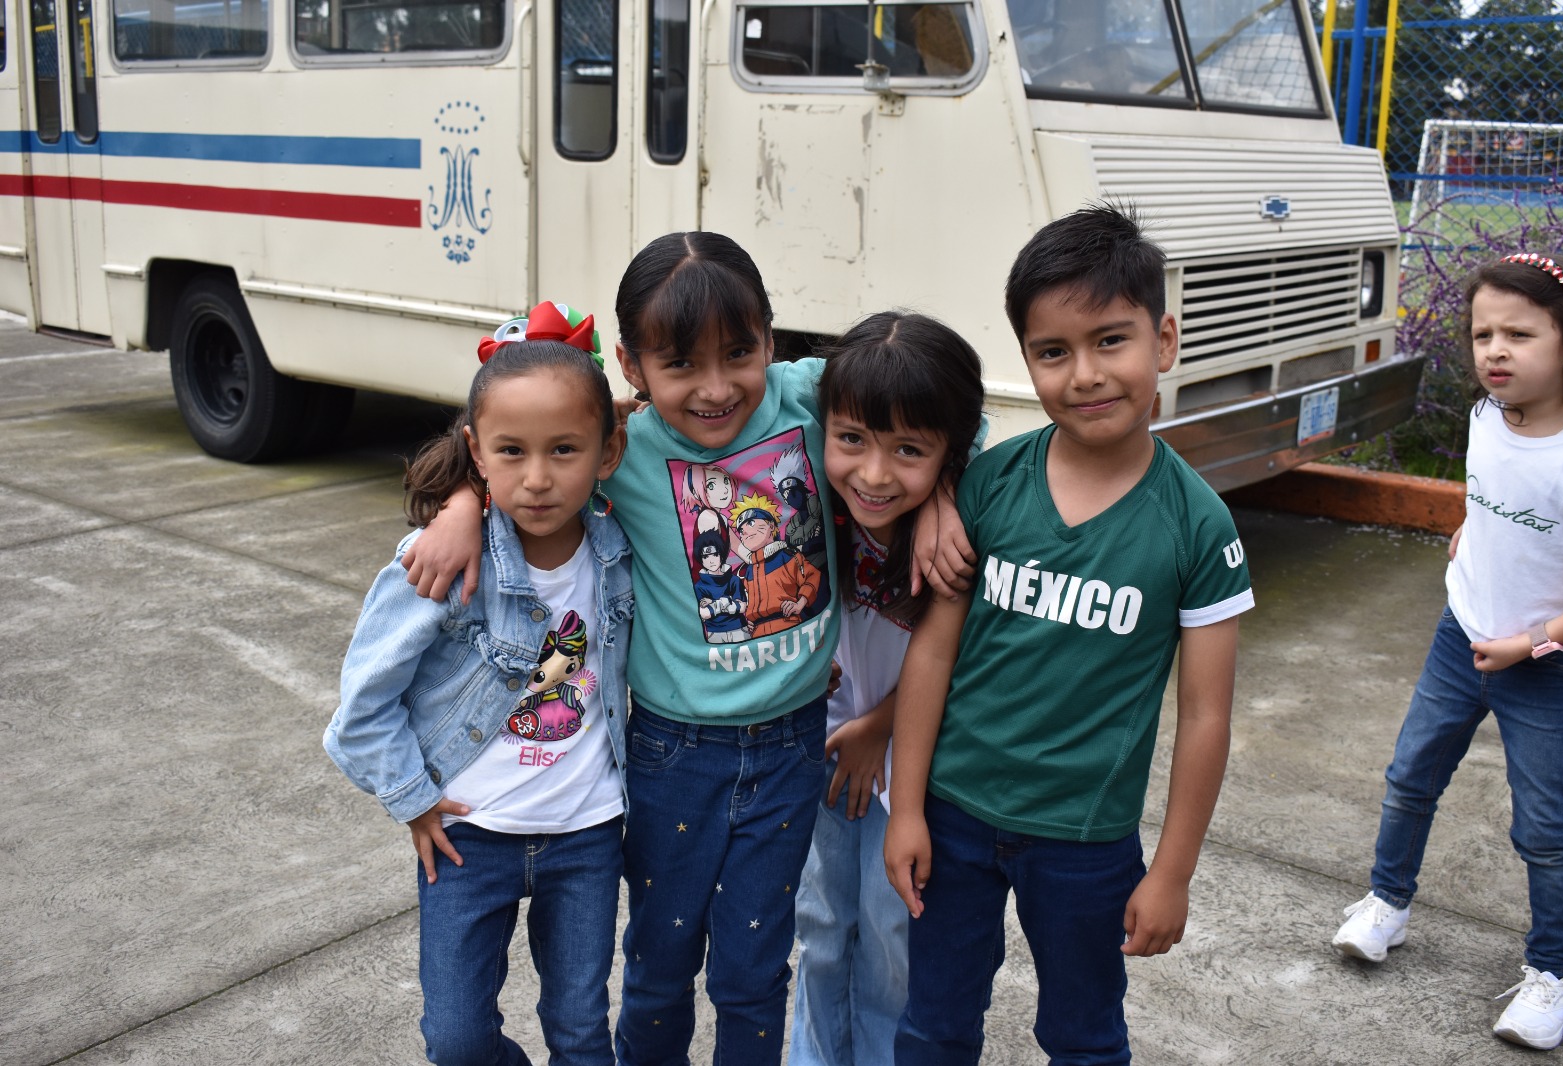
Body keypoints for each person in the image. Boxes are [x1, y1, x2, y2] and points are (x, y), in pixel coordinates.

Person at [401, 232, 973, 1066]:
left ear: (771, 340)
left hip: (793, 750)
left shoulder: (810, 398)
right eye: (680, 365)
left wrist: (943, 497)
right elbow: (511, 437)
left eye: (738, 353)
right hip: (674, 755)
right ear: (631, 366)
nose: (715, 387)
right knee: (661, 966)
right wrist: (462, 503)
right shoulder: (618, 448)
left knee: (753, 972)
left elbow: (939, 410)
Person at [883, 203, 1255, 1064]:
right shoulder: (991, 484)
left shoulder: (1198, 527)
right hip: (953, 818)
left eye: (1110, 341)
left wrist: (1173, 872)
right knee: (933, 1025)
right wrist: (906, 809)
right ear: (1027, 360)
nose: (1085, 374)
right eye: (1053, 351)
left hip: (1085, 842)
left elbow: (1206, 715)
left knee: (1084, 1038)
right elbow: (932, 650)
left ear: (1164, 341)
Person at [323, 309, 630, 1066]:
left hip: (587, 833)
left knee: (581, 1030)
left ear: (608, 451)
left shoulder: (621, 548)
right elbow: (362, 707)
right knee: (457, 1041)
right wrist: (411, 797)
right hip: (466, 838)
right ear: (476, 454)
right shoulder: (442, 561)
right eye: (511, 451)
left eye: (564, 450)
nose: (538, 478)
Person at [1330, 251, 1563, 1051]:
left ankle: (1554, 975)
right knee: (1410, 776)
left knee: (1543, 826)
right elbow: (1493, 496)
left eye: (1520, 334)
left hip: (1544, 664)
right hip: (1461, 635)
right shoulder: (1487, 415)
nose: (1495, 351)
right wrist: (1470, 531)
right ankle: (1387, 903)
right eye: (1484, 335)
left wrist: (1533, 641)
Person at [788, 311, 986, 1066]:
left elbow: (965, 656)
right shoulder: (808, 497)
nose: (873, 475)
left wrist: (881, 726)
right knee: (821, 925)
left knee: (890, 934)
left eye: (908, 451)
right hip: (827, 745)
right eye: (852, 439)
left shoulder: (966, 533)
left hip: (916, 763)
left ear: (949, 455)